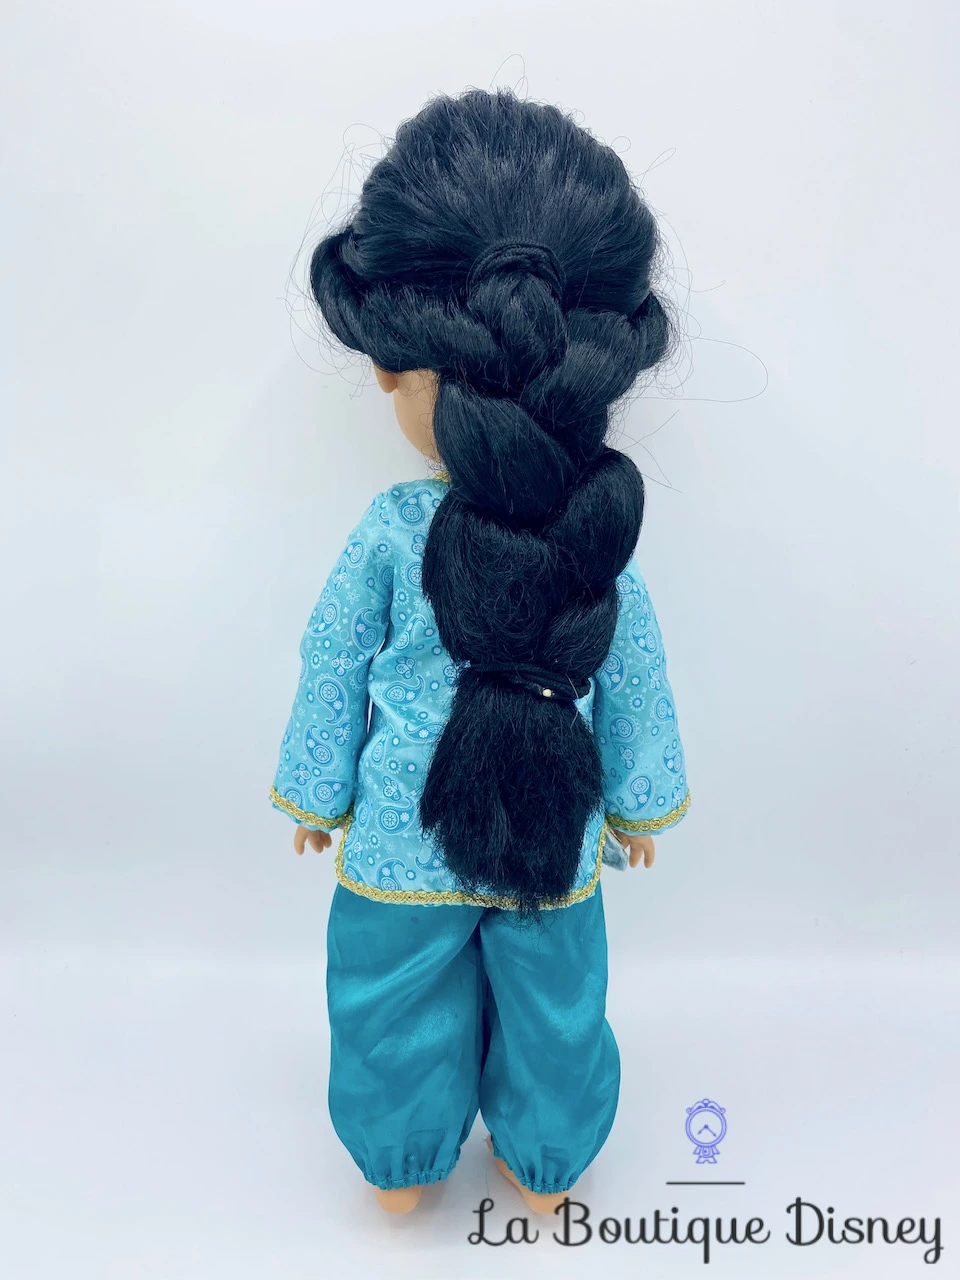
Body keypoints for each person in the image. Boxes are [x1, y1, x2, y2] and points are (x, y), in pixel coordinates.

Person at [270, 88, 691, 1215]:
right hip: (553, 828)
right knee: (555, 1002)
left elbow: (333, 658)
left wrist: (318, 787)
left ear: (391, 364)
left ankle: (405, 1159)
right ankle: (541, 1161)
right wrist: (640, 800)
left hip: (405, 833)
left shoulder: (392, 530)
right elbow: (634, 671)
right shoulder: (590, 526)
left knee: (390, 997)